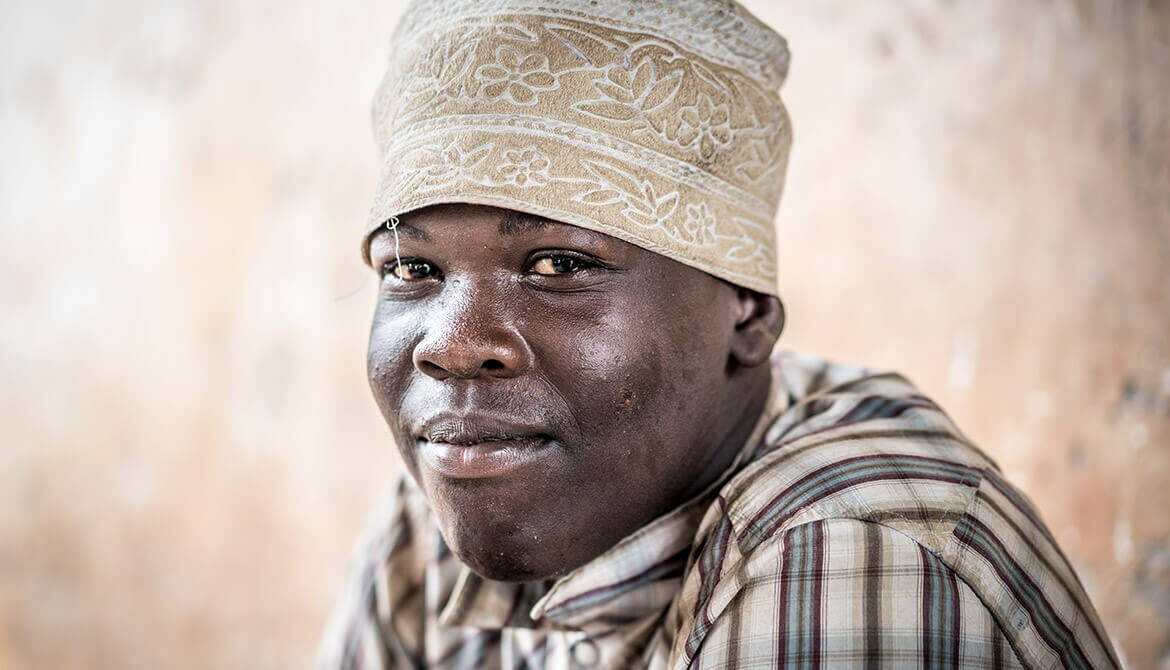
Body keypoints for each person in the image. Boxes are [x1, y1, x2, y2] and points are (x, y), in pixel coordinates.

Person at [318, 1, 1120, 667]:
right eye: (411, 269)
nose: (453, 346)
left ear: (747, 312)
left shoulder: (842, 552)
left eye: (560, 264)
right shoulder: (456, 491)